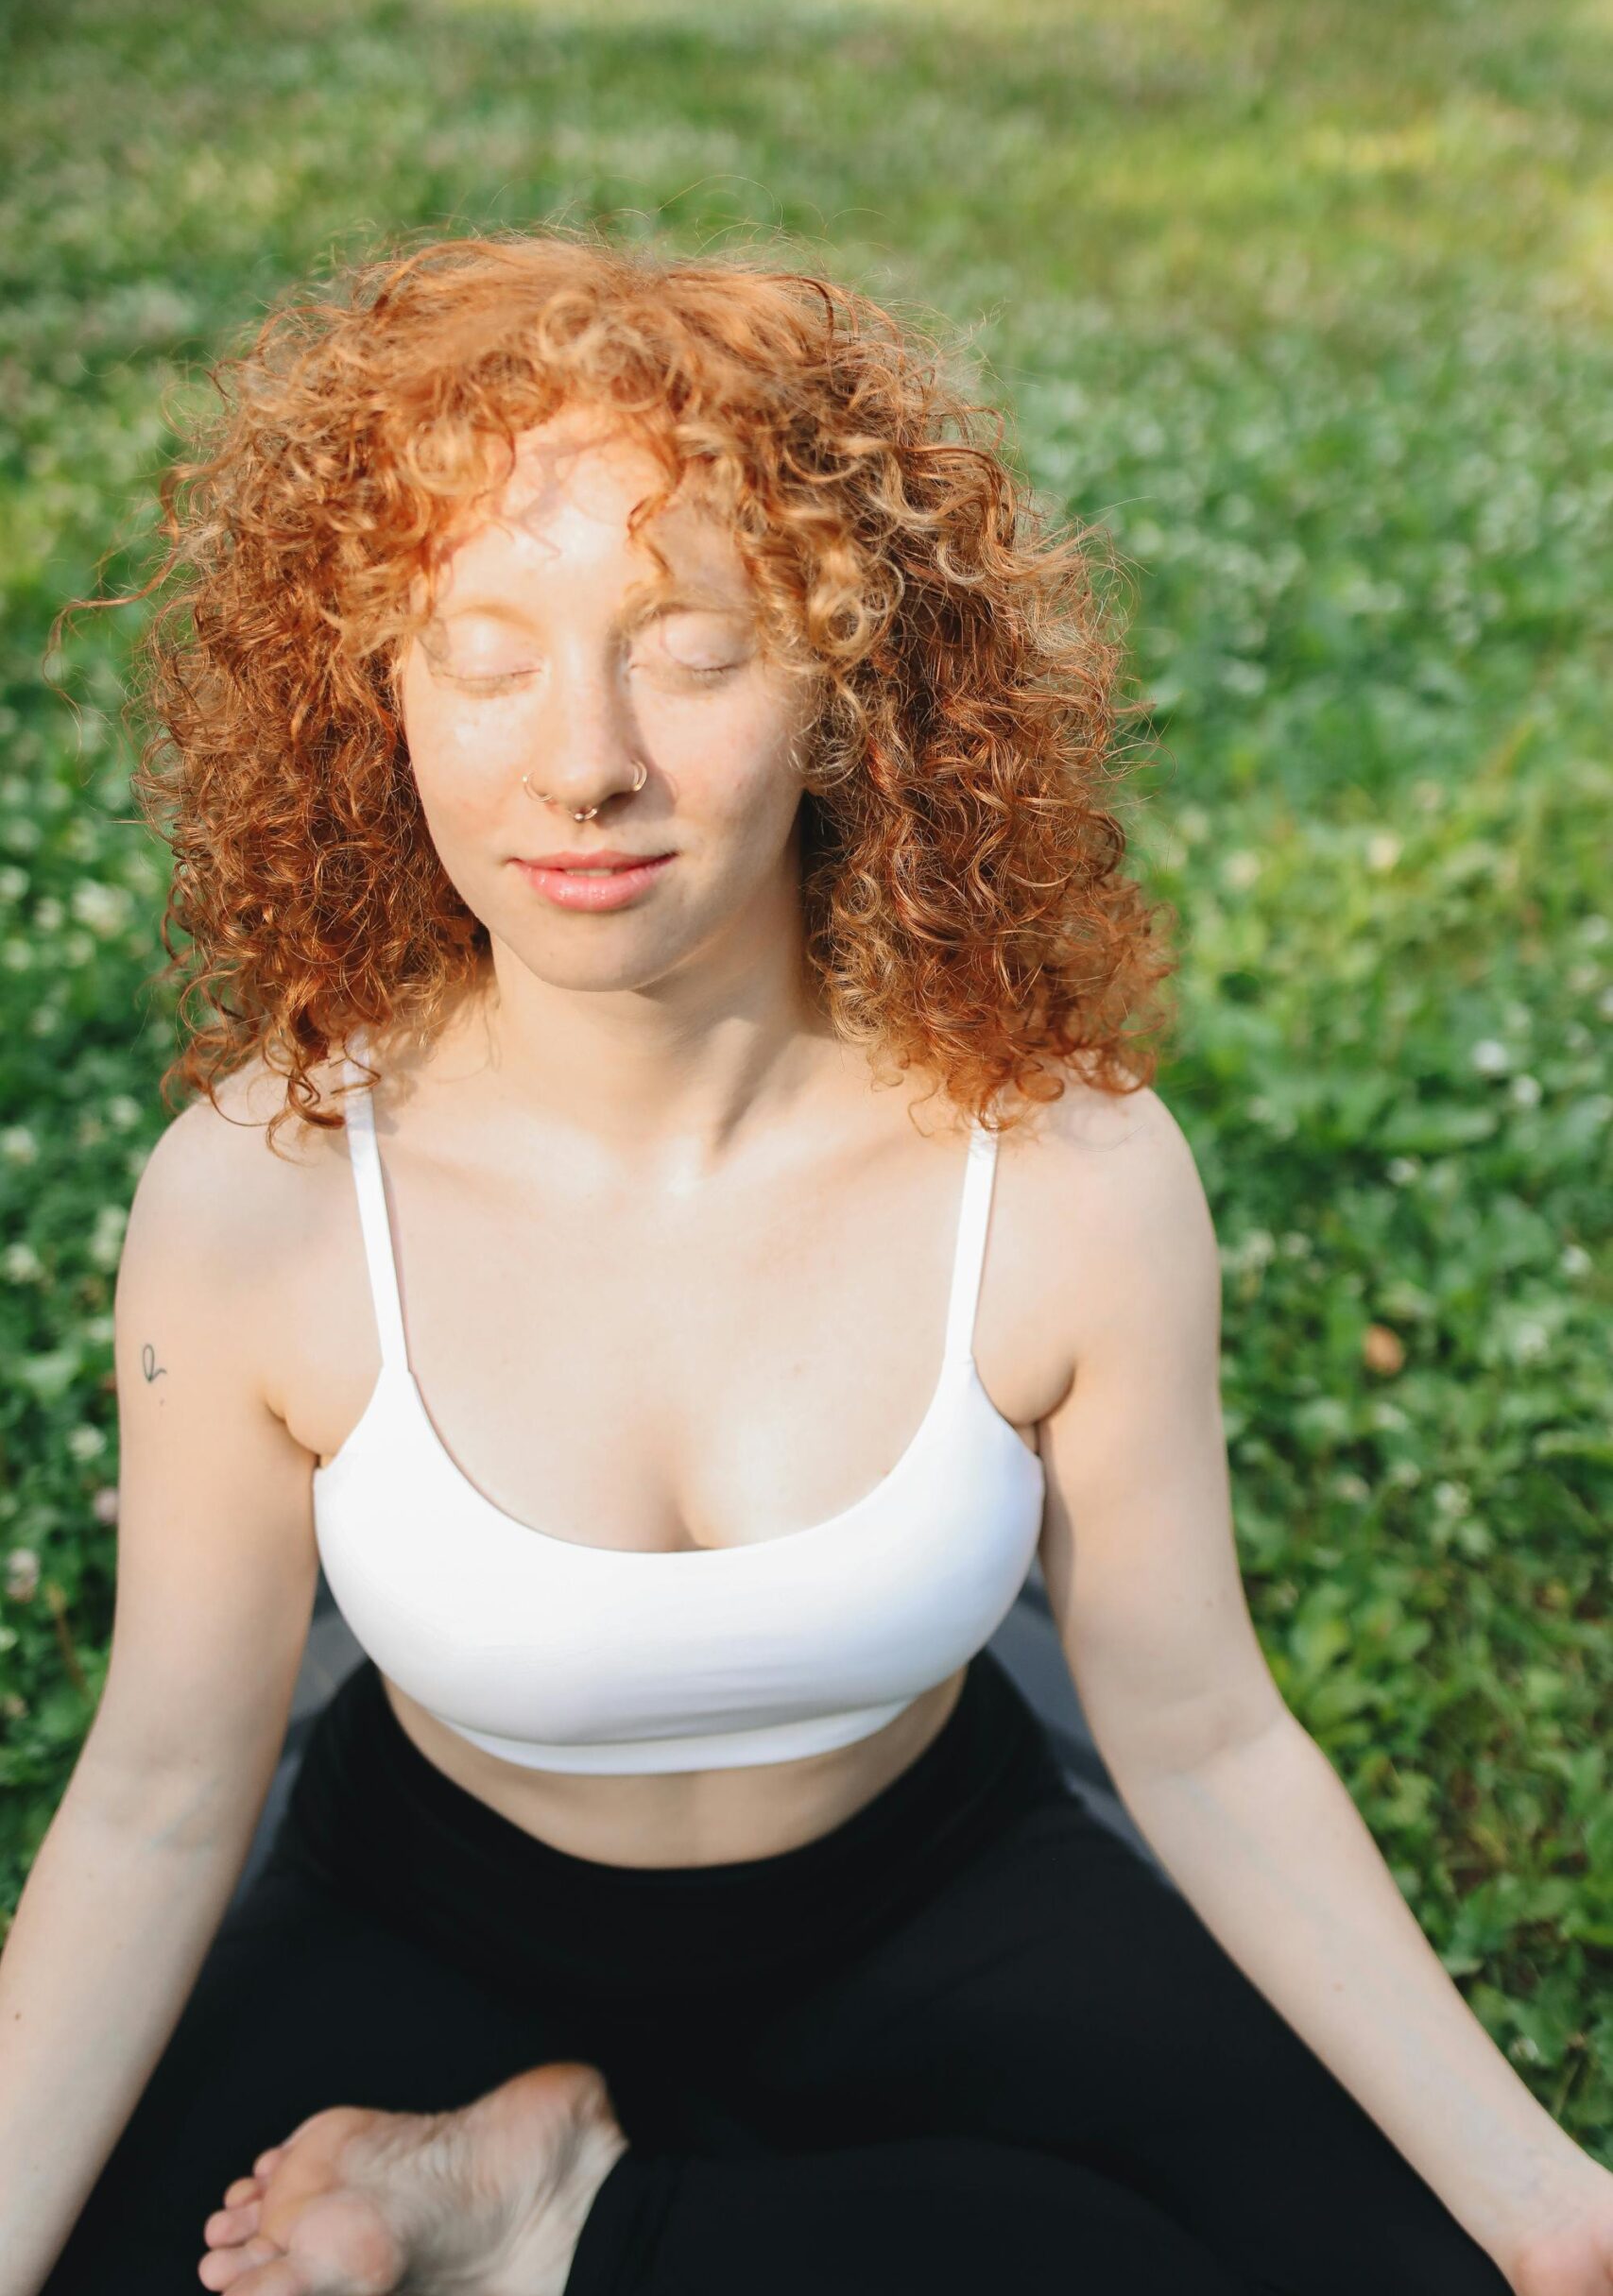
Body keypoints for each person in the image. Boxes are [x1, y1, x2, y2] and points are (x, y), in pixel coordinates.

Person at [3, 228, 1604, 2296]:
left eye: (689, 647)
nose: (582, 761)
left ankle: (560, 2214)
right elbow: (151, 1795)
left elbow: (1201, 1734)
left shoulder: (1064, 1164)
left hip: (935, 1886)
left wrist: (1549, 2206)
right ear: (370, 691)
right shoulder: (265, 1191)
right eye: (486, 654)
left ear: (852, 683)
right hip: (422, 1902)